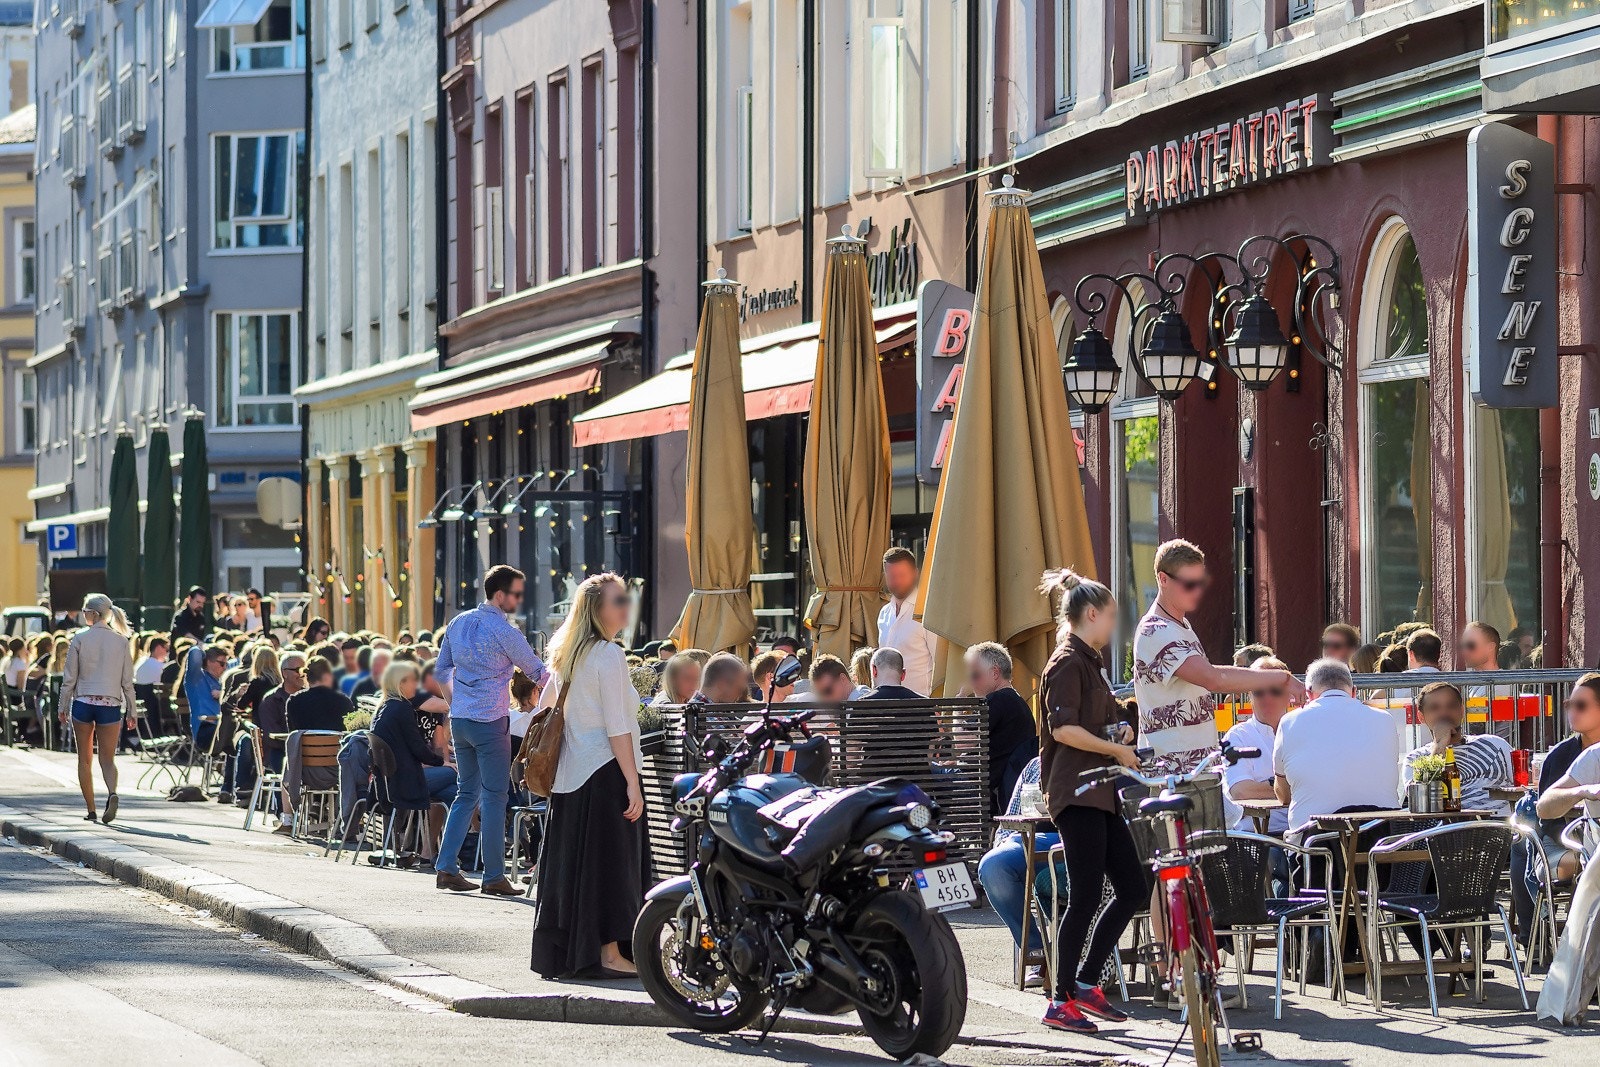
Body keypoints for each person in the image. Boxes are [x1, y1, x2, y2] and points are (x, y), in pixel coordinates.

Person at [1035, 569, 1142, 1034]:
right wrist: (1118, 748)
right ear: (1092, 614)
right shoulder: (1066, 661)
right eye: (1111, 616)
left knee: (1134, 888)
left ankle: (1083, 983)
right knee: (1083, 897)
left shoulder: (1091, 661)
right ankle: (1060, 999)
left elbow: (1095, 724)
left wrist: (1123, 727)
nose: (1114, 625)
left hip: (1099, 791)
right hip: (1077, 792)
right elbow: (1063, 730)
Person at [531, 573, 645, 980]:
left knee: (573, 869)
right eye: (618, 601)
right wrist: (633, 781)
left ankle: (570, 953)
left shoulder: (567, 654)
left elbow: (542, 707)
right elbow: (617, 726)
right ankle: (609, 954)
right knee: (609, 868)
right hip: (604, 771)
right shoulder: (608, 655)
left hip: (569, 776)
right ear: (597, 610)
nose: (625, 608)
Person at [1133, 540, 1304, 773]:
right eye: (1189, 584)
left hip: (1193, 767)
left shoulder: (1179, 625)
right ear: (1163, 579)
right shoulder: (1157, 630)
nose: (1198, 591)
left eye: (1200, 582)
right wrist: (1280, 678)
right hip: (1172, 771)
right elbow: (1214, 679)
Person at [433, 564, 548, 896]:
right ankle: (494, 875)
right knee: (495, 796)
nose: (518, 599)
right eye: (515, 594)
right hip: (490, 719)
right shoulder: (506, 632)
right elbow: (538, 672)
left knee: (465, 792)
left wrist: (455, 703)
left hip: (462, 719)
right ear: (501, 595)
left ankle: (446, 867)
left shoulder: (458, 622)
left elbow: (442, 670)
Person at [1273, 658, 1402, 836]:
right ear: (1354, 692)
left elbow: (1284, 796)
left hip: (1316, 844)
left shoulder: (1290, 721)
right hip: (1382, 840)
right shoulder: (1385, 719)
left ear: (1308, 694)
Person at [1517, 674, 1600, 946]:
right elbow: (1546, 813)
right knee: (1575, 862)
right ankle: (1559, 941)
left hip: (1588, 837)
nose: (1572, 712)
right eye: (1569, 705)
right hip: (1560, 840)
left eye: (1581, 705)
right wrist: (1581, 792)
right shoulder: (1563, 755)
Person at [977, 756, 1056, 988]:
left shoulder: (1101, 756)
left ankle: (1070, 954)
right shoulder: (1036, 766)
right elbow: (1009, 821)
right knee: (993, 867)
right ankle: (1037, 950)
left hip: (1075, 838)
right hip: (1029, 839)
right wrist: (1002, 844)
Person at [60, 594, 137, 824]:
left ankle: (91, 810)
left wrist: (63, 705)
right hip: (110, 704)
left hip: (83, 702)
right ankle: (112, 793)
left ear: (93, 614)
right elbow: (127, 681)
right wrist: (131, 710)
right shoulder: (121, 641)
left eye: (85, 612)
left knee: (84, 759)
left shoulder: (80, 639)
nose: (83, 615)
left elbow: (69, 678)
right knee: (107, 759)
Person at [371, 660, 457, 858]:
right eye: (412, 681)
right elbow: (418, 748)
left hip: (390, 782)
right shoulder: (402, 709)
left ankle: (448, 850)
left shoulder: (385, 707)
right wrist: (442, 763)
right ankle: (466, 845)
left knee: (455, 792)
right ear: (400, 683)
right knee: (459, 776)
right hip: (405, 782)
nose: (416, 686)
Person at [1222, 656, 1292, 836]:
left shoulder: (1304, 730)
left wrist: (1265, 786)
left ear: (1289, 694)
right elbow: (1241, 791)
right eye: (1259, 691)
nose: (1267, 698)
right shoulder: (1238, 736)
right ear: (1250, 696)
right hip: (1259, 836)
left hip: (1303, 831)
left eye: (1275, 690)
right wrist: (1289, 790)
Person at [965, 642, 1037, 816]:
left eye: (975, 675)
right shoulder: (1017, 702)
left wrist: (961, 703)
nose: (971, 682)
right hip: (1005, 787)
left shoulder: (997, 700)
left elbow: (962, 743)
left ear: (995, 673)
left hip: (985, 789)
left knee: (931, 779)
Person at [876, 547, 937, 697]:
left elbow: (939, 663)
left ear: (915, 573)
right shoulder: (884, 613)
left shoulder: (927, 610)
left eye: (902, 575)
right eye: (892, 576)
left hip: (921, 705)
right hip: (887, 705)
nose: (897, 581)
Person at [285, 657, 355, 733]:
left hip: (305, 745)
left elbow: (292, 734)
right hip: (336, 744)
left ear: (307, 677)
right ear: (327, 676)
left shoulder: (294, 701)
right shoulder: (343, 701)